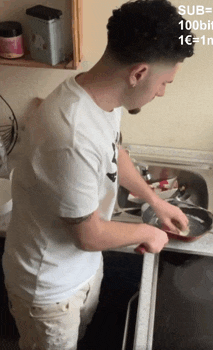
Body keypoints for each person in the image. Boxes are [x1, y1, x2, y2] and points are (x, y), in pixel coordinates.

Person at [2, 0, 195, 349]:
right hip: (48, 288)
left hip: (82, 268)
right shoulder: (70, 135)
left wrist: (154, 201)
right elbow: (87, 236)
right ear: (138, 73)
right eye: (165, 82)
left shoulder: (100, 97)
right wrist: (147, 233)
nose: (163, 92)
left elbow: (114, 152)